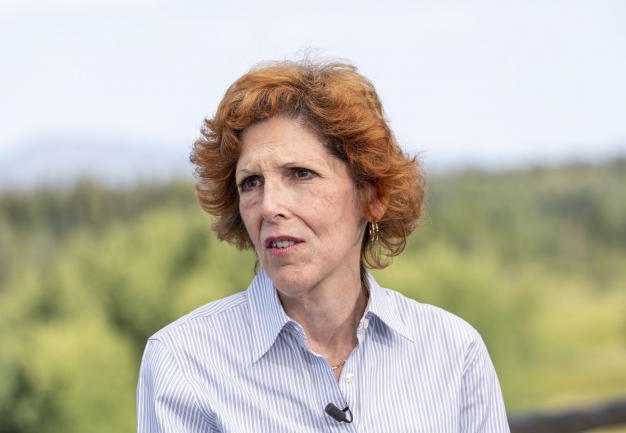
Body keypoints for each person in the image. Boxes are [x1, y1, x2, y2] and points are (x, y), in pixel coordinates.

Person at [137, 59, 510, 432]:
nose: (269, 206)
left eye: (300, 174)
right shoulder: (184, 362)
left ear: (372, 195)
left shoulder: (453, 353)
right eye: (251, 182)